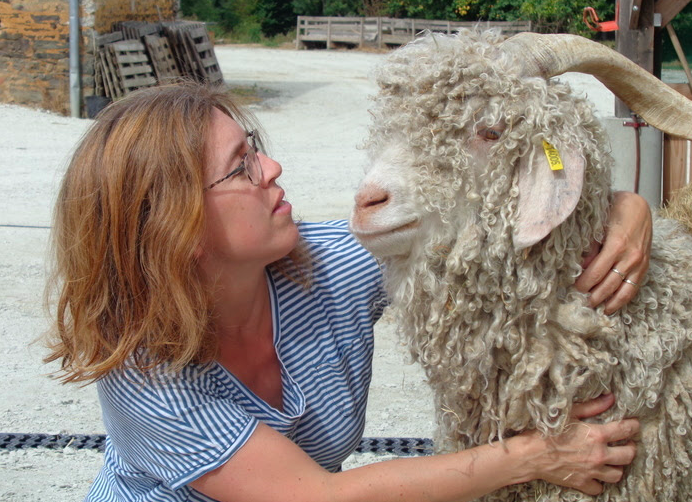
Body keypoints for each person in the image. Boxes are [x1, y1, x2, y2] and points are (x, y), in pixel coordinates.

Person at [46, 83, 649, 502]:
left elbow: (478, 229)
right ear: (175, 227)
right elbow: (321, 495)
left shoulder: (329, 263)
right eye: (239, 168)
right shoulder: (143, 374)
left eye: (254, 146)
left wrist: (623, 206)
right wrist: (536, 455)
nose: (273, 168)